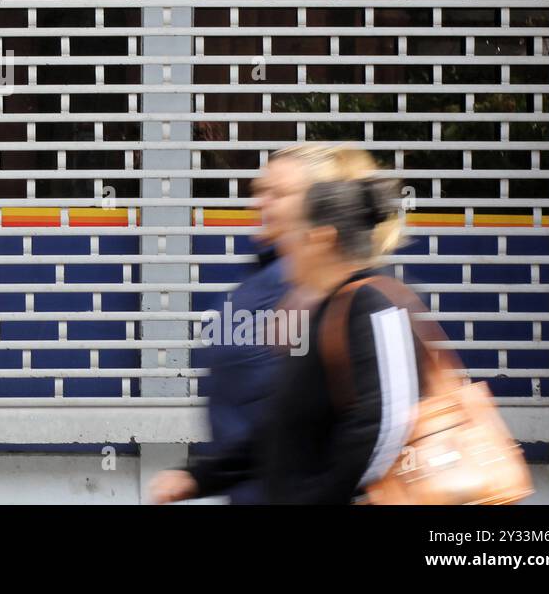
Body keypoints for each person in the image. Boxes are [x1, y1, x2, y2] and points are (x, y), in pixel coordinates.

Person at [151, 170, 425, 504]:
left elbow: (385, 427)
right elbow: (280, 428)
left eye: (292, 236)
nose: (282, 249)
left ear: (321, 239)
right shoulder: (322, 311)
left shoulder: (373, 303)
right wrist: (200, 477)